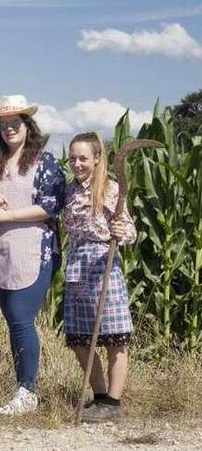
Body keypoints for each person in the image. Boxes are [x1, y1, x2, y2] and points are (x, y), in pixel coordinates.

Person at [0, 94, 65, 415]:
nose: (8, 128)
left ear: (27, 126)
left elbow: (51, 205)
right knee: (13, 322)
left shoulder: (44, 163)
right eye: (3, 124)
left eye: (14, 123)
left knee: (21, 319)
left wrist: (6, 216)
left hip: (34, 250)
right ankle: (24, 382)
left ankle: (27, 390)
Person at [62, 132, 136, 423]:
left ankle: (114, 404)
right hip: (77, 265)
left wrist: (122, 232)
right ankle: (101, 397)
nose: (77, 163)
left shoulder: (110, 189)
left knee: (114, 338)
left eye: (83, 158)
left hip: (104, 263)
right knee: (81, 339)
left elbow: (130, 230)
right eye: (73, 158)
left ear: (96, 159)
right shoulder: (69, 190)